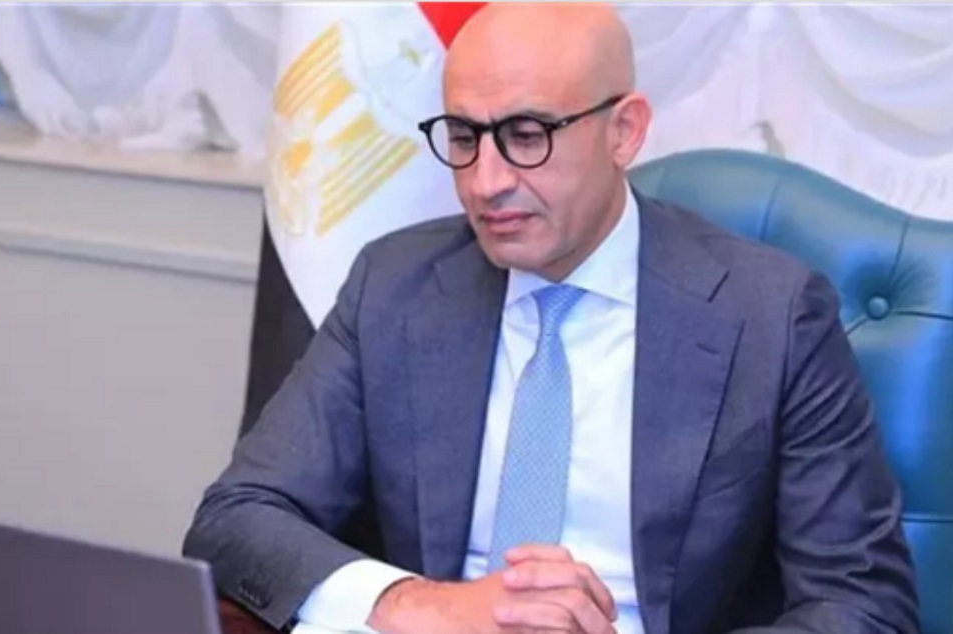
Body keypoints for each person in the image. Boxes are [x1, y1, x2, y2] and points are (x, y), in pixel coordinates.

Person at [183, 4, 919, 634]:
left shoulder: (770, 315)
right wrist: (421, 604)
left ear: (624, 131)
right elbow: (237, 516)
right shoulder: (395, 286)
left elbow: (864, 606)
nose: (486, 181)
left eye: (528, 134)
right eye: (464, 137)